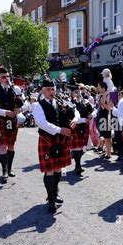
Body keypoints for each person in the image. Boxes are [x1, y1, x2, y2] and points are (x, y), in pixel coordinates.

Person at [33, 79, 73, 214]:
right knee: (49, 169)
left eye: (53, 89)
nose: (51, 92)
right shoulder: (38, 106)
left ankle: (55, 193)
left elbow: (74, 114)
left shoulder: (61, 103)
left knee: (58, 169)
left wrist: (72, 119)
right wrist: (60, 130)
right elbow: (42, 123)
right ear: (43, 91)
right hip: (47, 139)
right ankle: (50, 199)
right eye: (48, 89)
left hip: (60, 141)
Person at [0, 67, 20, 183]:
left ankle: (10, 168)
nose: (6, 79)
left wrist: (18, 109)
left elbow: (22, 103)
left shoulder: (15, 89)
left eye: (7, 76)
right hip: (0, 120)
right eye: (3, 77)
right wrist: (5, 112)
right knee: (3, 145)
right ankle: (4, 170)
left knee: (11, 145)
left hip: (12, 120)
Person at [70, 89, 93, 175]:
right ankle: (78, 166)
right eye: (75, 92)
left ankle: (76, 160)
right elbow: (72, 118)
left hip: (84, 127)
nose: (77, 93)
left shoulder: (85, 101)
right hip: (76, 127)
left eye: (78, 91)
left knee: (82, 148)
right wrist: (84, 119)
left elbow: (90, 111)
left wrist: (90, 115)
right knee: (77, 147)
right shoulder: (70, 103)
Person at [96, 82, 114, 159]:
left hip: (108, 117)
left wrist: (103, 103)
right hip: (102, 117)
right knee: (106, 137)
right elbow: (99, 108)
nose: (98, 89)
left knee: (107, 137)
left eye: (99, 87)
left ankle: (109, 154)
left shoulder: (110, 94)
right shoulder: (101, 96)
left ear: (103, 88)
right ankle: (108, 152)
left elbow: (110, 108)